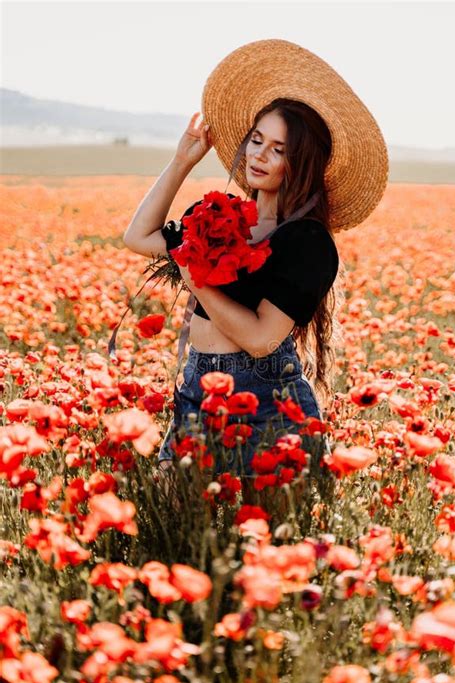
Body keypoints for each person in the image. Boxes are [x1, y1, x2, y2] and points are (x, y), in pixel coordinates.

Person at [122, 39, 388, 480]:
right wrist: (181, 161)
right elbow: (139, 236)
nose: (258, 155)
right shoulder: (216, 215)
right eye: (256, 140)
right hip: (196, 389)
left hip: (266, 400)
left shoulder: (308, 242)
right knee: (176, 526)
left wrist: (194, 273)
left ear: (300, 162)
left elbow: (263, 338)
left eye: (278, 149)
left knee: (270, 543)